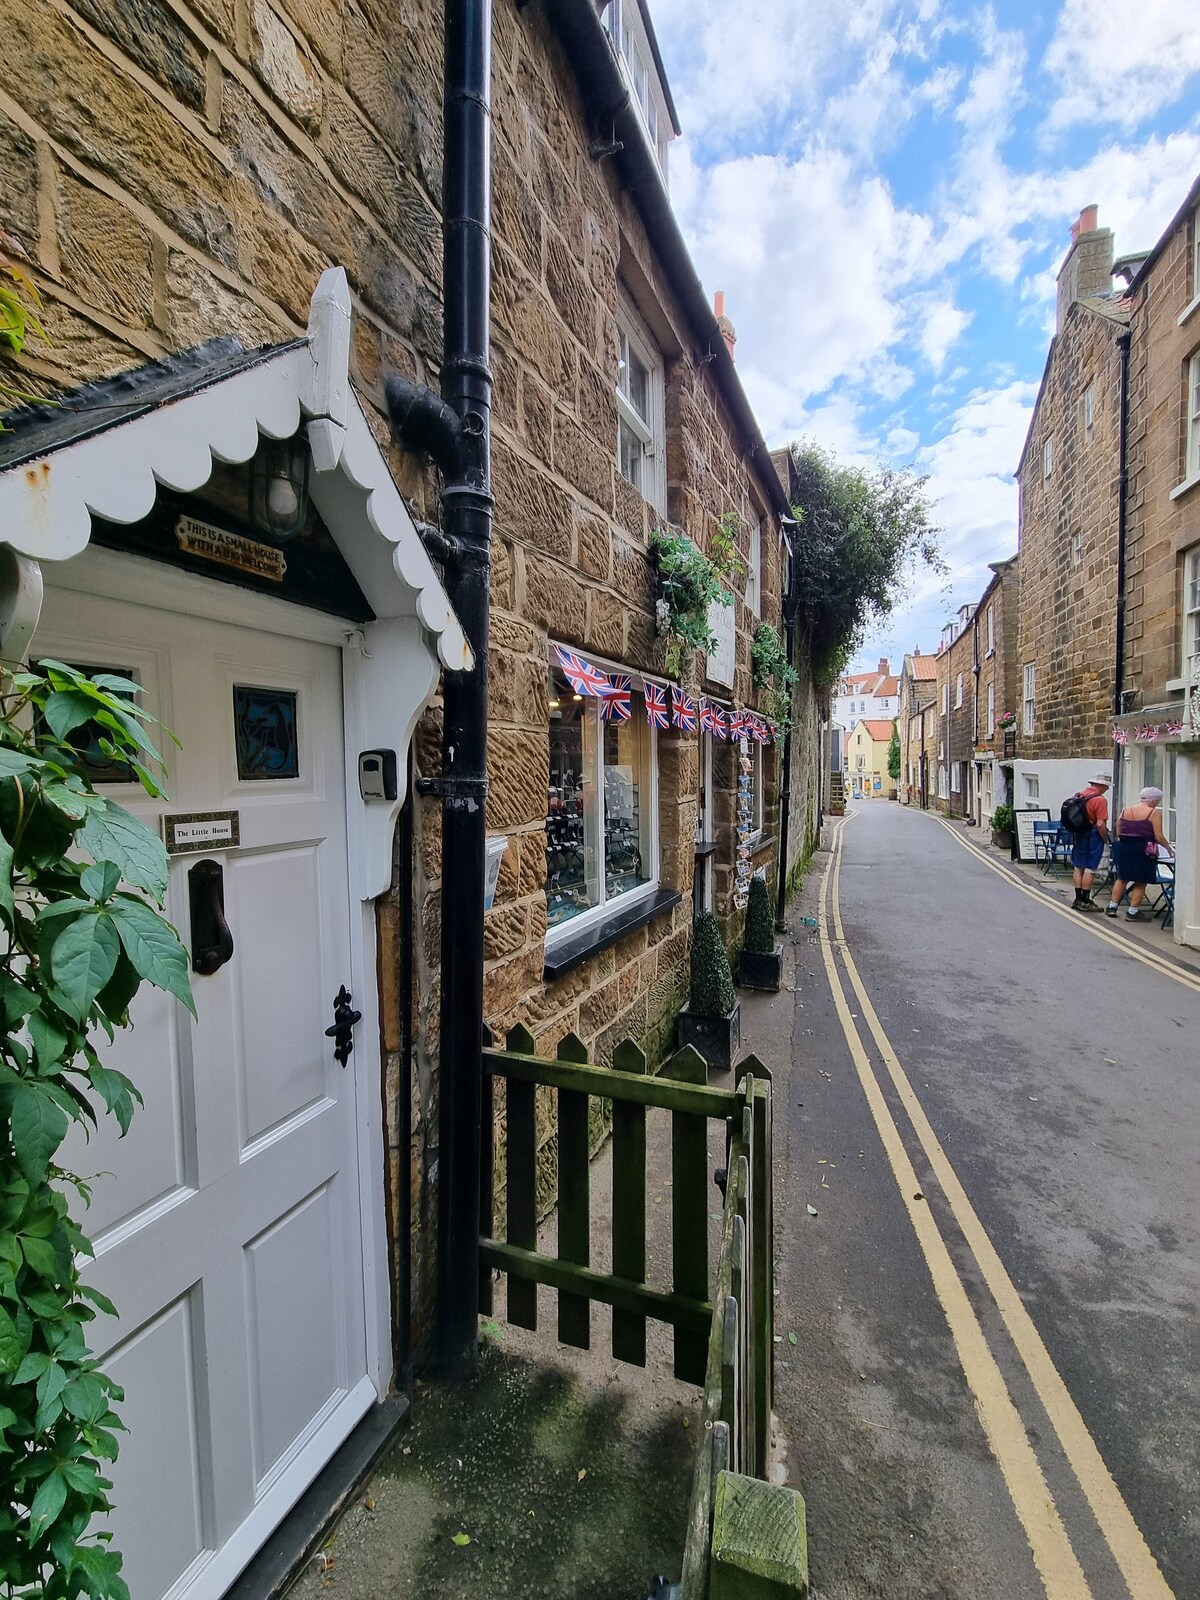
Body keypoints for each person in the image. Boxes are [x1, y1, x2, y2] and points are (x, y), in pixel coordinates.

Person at [1106, 786, 1171, 920]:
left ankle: (1112, 907)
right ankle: (1132, 912)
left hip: (1124, 847)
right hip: (1143, 849)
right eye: (1158, 801)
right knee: (1141, 880)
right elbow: (1158, 836)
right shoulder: (1153, 814)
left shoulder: (1125, 811)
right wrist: (1169, 849)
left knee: (1122, 877)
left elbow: (1118, 828)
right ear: (1153, 801)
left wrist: (1124, 840)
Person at [1070, 770, 1111, 911]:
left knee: (1078, 866)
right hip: (1093, 834)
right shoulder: (1100, 800)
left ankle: (1077, 899)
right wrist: (1105, 839)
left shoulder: (1080, 795)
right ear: (1101, 785)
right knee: (1090, 868)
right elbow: (1100, 824)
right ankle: (1086, 900)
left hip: (1079, 832)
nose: (1107, 789)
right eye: (1107, 786)